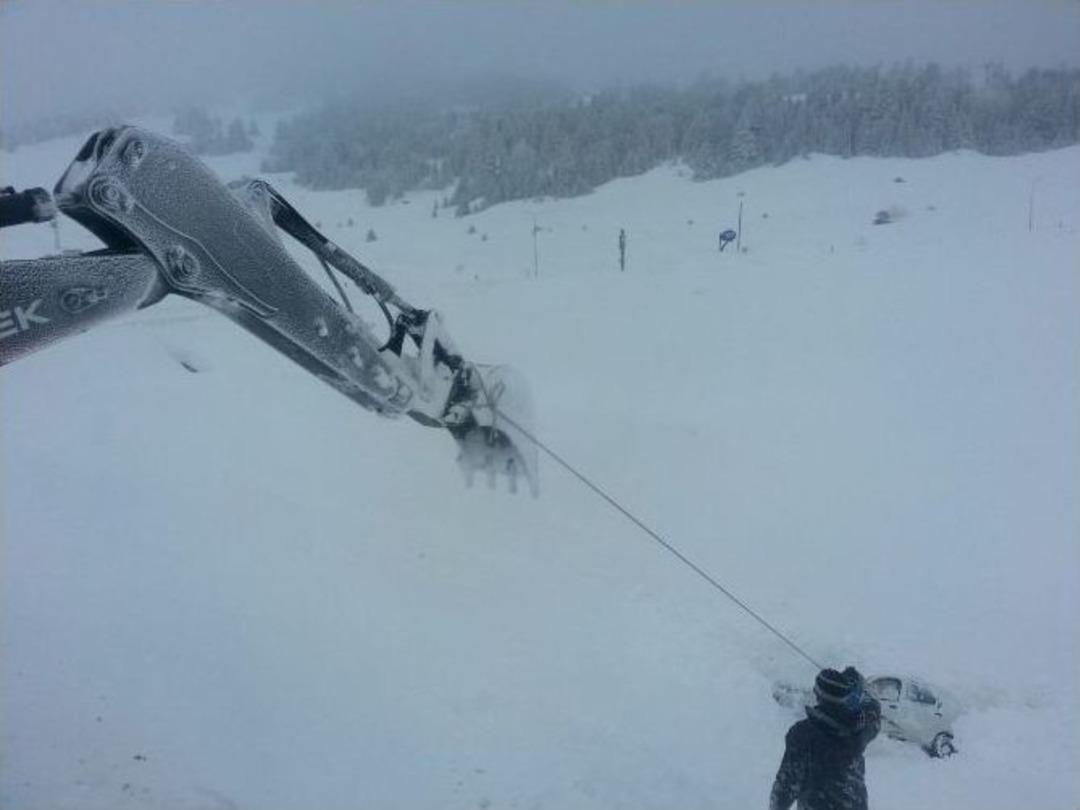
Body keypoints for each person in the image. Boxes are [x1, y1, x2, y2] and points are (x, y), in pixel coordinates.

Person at [769, 666, 881, 810]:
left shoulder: (803, 733)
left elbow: (787, 784)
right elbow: (874, 715)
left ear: (818, 695)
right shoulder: (857, 730)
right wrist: (856, 685)